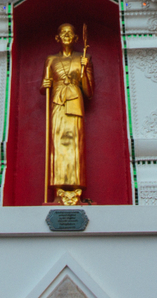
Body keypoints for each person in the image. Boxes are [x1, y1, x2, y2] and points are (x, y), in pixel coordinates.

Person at [42, 23, 94, 201]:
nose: (66, 35)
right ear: (57, 37)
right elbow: (44, 84)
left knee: (75, 144)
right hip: (57, 103)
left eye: (70, 33)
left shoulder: (83, 57)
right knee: (57, 143)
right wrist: (45, 85)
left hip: (75, 101)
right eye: (62, 32)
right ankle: (57, 185)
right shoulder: (51, 60)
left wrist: (85, 70)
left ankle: (76, 184)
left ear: (75, 38)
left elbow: (89, 92)